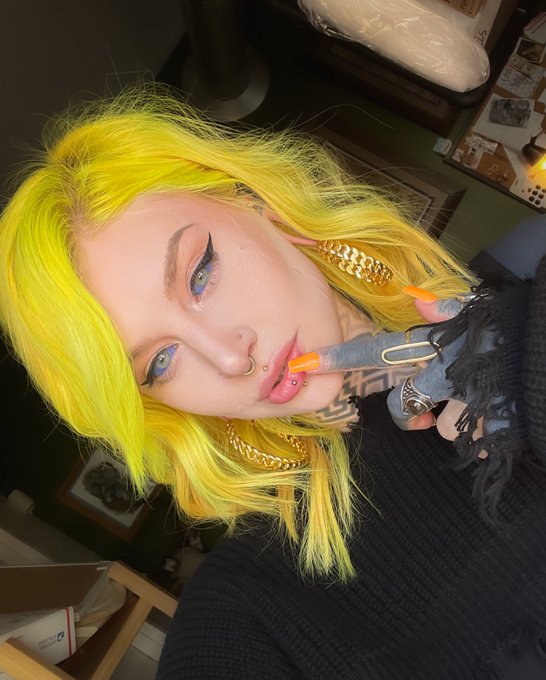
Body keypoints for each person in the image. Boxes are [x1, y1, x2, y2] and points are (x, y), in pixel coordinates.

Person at [0, 86, 545, 679]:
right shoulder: (241, 610)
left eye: (201, 273)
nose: (229, 358)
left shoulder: (525, 282)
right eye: (159, 363)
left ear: (261, 208)